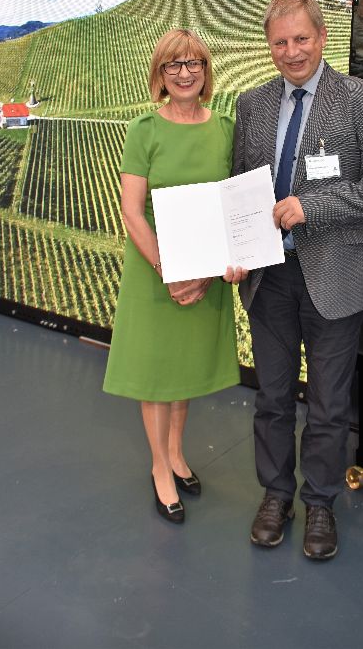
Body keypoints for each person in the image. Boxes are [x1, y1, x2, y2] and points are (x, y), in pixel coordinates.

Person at [233, 0, 363, 559]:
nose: (292, 52)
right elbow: (240, 187)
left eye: (301, 39)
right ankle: (276, 495)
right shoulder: (253, 104)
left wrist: (313, 206)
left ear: (322, 36)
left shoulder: (360, 98)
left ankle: (321, 502)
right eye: (280, 42)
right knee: (273, 398)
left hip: (338, 275)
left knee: (330, 403)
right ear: (269, 46)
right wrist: (235, 248)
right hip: (269, 277)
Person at [103, 29, 245, 525]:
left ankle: (178, 454)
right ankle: (160, 468)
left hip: (204, 274)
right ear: (160, 74)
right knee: (156, 376)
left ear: (206, 70)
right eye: (173, 65)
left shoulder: (225, 129)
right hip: (155, 272)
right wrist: (171, 269)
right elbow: (132, 212)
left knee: (183, 371)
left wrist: (207, 270)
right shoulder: (144, 130)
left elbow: (232, 205)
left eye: (194, 63)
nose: (185, 73)